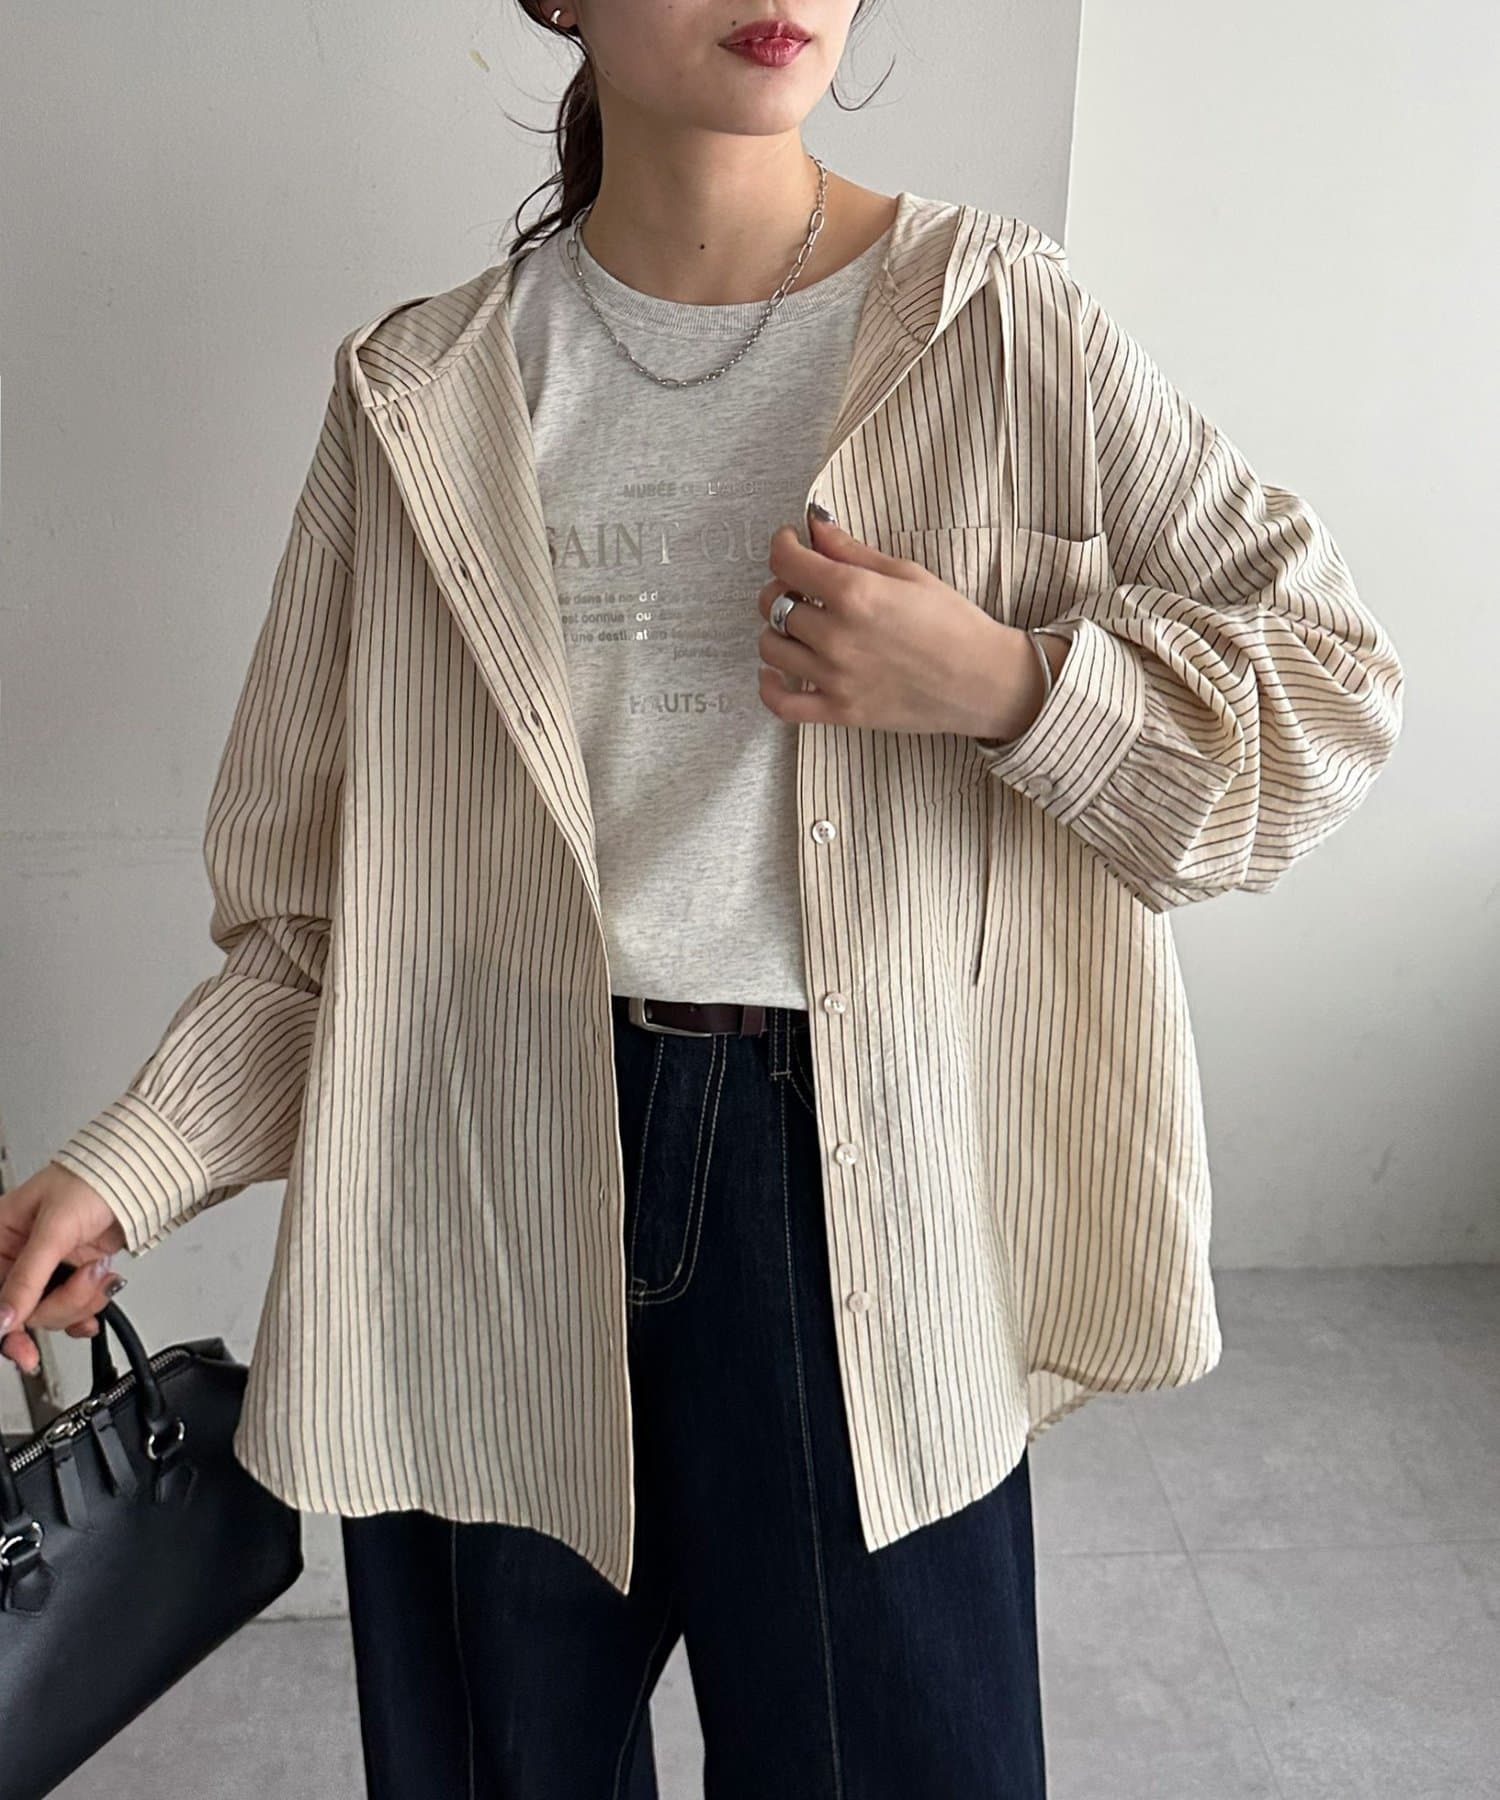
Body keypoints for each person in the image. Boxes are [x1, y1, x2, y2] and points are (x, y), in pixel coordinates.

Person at [1, 2, 1405, 1794]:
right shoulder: (417, 392)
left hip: (847, 1193)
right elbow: (316, 926)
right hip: (469, 1179)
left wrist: (1011, 687)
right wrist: (133, 1158)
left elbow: (1331, 693)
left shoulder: (1000, 321)